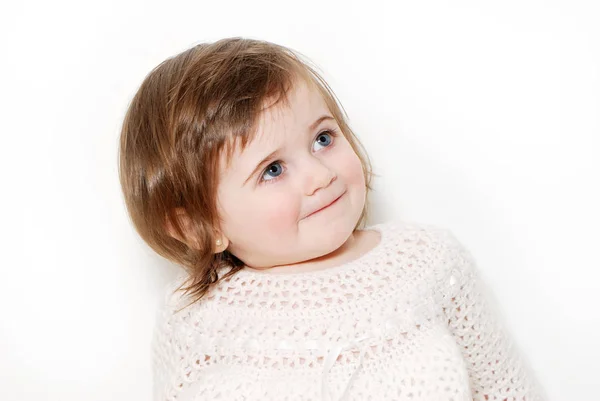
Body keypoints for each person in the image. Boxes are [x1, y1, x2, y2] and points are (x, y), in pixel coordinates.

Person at [118, 37, 545, 401]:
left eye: (323, 138)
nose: (320, 176)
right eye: (273, 169)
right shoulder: (194, 317)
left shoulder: (430, 262)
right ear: (199, 226)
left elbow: (504, 386)